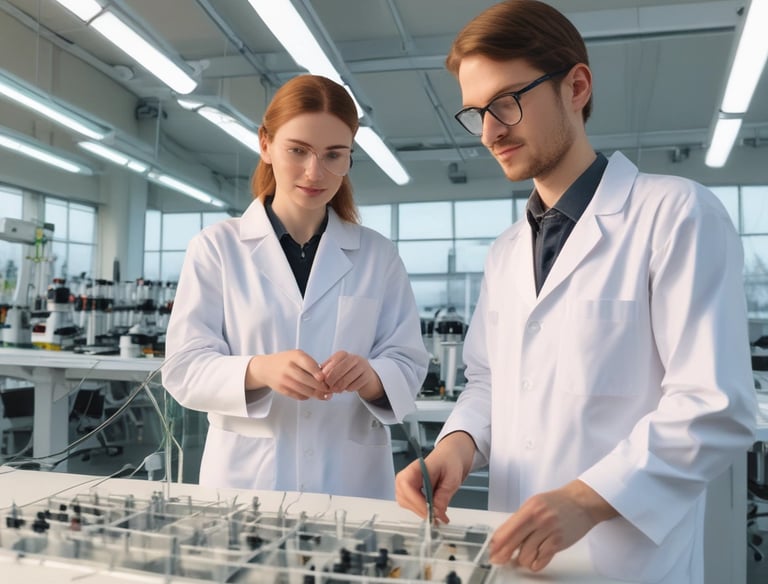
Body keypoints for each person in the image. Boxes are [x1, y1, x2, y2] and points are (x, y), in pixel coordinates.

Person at [394, 1, 757, 582]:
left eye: (507, 101)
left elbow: (713, 406)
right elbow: (490, 382)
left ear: (577, 86)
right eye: (475, 113)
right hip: (511, 551)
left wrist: (587, 498)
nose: (490, 131)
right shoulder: (507, 251)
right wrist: (455, 447)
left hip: (625, 562)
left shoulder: (675, 215)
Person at [163, 74, 428, 500]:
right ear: (265, 145)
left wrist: (372, 375)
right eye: (298, 150)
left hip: (350, 481)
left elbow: (410, 365)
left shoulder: (378, 256)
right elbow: (183, 368)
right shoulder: (217, 247)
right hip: (246, 481)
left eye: (333, 155)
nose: (314, 171)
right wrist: (259, 370)